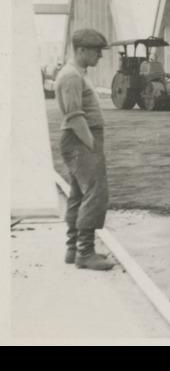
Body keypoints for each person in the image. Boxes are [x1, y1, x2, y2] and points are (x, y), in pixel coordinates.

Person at [55, 29, 115, 271]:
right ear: (80, 50)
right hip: (80, 139)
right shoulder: (71, 76)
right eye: (96, 50)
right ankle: (85, 253)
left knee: (79, 195)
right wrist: (91, 145)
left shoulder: (76, 74)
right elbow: (75, 116)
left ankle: (73, 249)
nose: (99, 56)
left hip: (79, 139)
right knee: (95, 193)